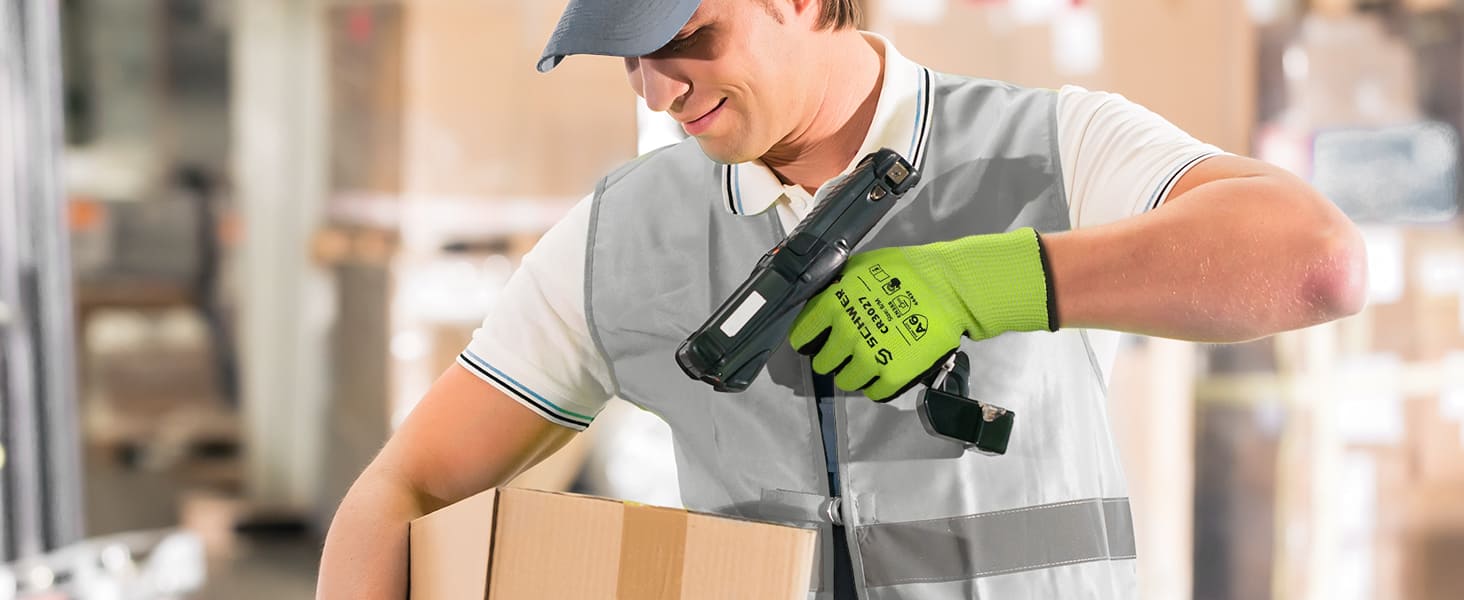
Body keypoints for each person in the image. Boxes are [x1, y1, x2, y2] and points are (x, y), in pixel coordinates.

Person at [317, 0, 1367, 598]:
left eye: (686, 38)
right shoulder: (618, 237)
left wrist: (989, 282)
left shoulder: (1053, 144)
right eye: (628, 55)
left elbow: (1313, 261)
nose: (654, 87)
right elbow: (403, 488)